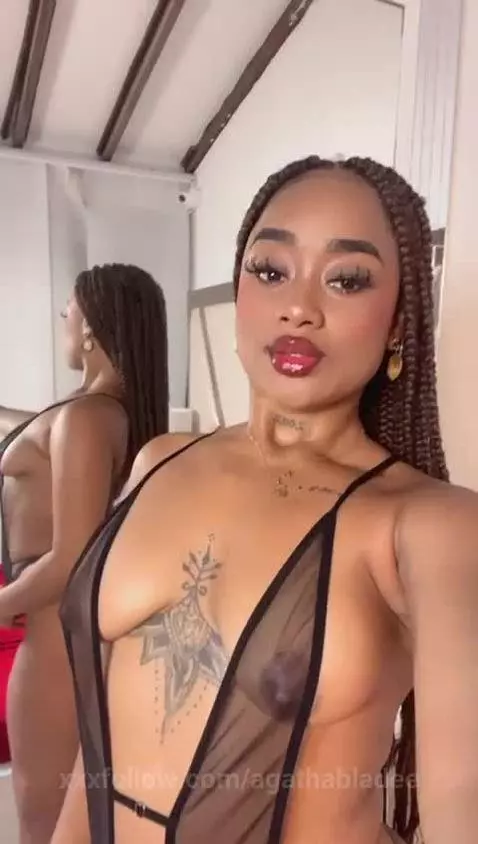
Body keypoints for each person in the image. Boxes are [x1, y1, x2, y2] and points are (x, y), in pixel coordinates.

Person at [54, 157, 478, 844]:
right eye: (271, 270)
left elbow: (464, 801)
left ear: (399, 320)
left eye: (347, 279)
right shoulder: (159, 463)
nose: (299, 307)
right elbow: (98, 738)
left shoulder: (430, 525)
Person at [0, 262, 169, 843]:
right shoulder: (94, 411)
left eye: (68, 310)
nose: (63, 319)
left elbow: (71, 554)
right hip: (60, 637)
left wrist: (3, 603)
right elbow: (32, 431)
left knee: (43, 825)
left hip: (53, 644)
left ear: (92, 325)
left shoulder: (88, 418)